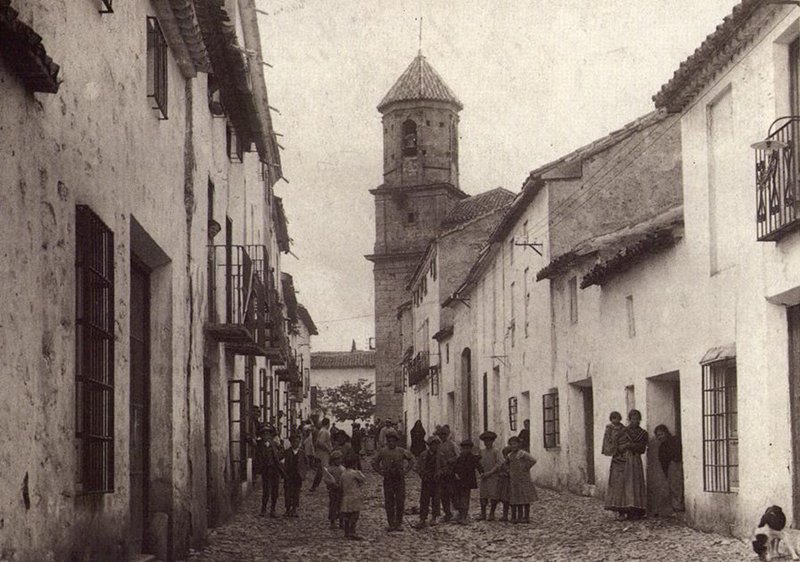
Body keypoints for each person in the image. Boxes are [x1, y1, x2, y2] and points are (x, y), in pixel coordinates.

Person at [604, 409, 648, 521]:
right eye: (633, 418)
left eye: (637, 418)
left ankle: (635, 511)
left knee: (634, 484)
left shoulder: (643, 433)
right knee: (621, 485)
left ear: (640, 419)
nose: (635, 421)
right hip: (621, 461)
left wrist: (629, 445)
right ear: (629, 419)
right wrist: (620, 448)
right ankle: (622, 510)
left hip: (635, 461)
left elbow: (642, 449)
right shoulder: (622, 431)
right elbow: (615, 445)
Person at [371, 428, 414, 532]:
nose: (391, 443)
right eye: (389, 441)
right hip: (388, 478)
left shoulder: (401, 451)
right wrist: (381, 472)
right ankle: (391, 523)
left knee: (400, 500)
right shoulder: (383, 451)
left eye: (393, 440)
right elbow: (374, 463)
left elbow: (411, 460)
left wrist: (406, 471)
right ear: (387, 441)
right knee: (389, 501)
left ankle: (398, 523)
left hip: (399, 478)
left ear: (396, 441)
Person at [413, 435, 446, 528]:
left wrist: (440, 472)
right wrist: (422, 474)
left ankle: (434, 517)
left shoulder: (441, 456)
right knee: (424, 499)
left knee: (436, 499)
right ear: (429, 445)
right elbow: (417, 467)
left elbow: (445, 467)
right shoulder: (423, 455)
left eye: (437, 445)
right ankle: (422, 518)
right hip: (426, 480)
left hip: (436, 480)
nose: (435, 447)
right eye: (433, 445)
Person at [255, 425, 284, 517]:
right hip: (266, 470)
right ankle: (263, 509)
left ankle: (273, 509)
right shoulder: (260, 445)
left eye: (268, 433)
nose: (266, 435)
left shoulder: (275, 444)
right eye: (264, 434)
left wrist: (279, 456)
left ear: (271, 435)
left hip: (274, 469)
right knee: (266, 490)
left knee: (275, 490)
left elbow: (281, 453)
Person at [507, 436, 537, 524]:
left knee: (525, 497)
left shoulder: (522, 453)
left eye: (515, 444)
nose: (513, 446)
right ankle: (517, 517)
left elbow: (533, 460)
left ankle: (526, 517)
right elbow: (507, 464)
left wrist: (526, 467)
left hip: (523, 478)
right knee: (516, 497)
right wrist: (509, 470)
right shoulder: (509, 455)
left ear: (519, 444)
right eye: (511, 444)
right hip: (514, 479)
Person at [655, 424, 684, 513]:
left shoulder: (675, 440)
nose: (660, 437)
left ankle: (680, 506)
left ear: (666, 433)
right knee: (673, 487)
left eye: (661, 434)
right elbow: (662, 460)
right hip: (669, 469)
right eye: (658, 435)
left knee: (678, 486)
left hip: (677, 466)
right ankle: (677, 507)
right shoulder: (662, 447)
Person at [452, 439, 482, 524]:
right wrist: (455, 474)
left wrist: (482, 473)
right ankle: (460, 514)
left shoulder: (473, 458)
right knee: (458, 498)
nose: (466, 450)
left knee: (465, 499)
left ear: (470, 449)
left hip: (468, 482)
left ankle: (464, 516)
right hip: (458, 481)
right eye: (464, 448)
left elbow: (478, 466)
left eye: (468, 448)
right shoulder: (459, 458)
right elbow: (454, 468)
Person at [340, 454, 367, 540]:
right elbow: (363, 479)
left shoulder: (343, 474)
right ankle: (352, 531)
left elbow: (341, 485)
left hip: (346, 496)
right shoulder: (355, 473)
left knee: (347, 514)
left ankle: (347, 531)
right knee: (355, 514)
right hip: (355, 495)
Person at [477, 431, 502, 521]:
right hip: (484, 477)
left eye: (489, 441)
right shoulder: (482, 452)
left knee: (493, 495)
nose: (487, 443)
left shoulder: (496, 451)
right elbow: (478, 463)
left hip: (493, 476)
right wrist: (481, 473)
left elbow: (499, 464)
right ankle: (483, 513)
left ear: (492, 441)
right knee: (483, 495)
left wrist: (490, 472)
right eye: (485, 441)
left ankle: (492, 513)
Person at [436, 425, 459, 522]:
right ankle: (447, 513)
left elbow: (458, 456)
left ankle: (457, 512)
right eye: (440, 435)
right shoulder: (437, 445)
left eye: (444, 434)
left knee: (453, 492)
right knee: (443, 493)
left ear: (447, 435)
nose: (442, 436)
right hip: (442, 473)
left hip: (451, 472)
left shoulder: (452, 444)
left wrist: (451, 460)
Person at [282, 434, 308, 517]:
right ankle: (287, 509)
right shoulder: (287, 452)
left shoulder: (302, 453)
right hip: (289, 475)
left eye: (297, 442)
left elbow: (306, 463)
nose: (295, 444)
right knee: (288, 492)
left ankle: (294, 509)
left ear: (299, 442)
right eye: (293, 442)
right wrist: (284, 473)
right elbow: (282, 463)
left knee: (296, 492)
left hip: (298, 476)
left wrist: (303, 473)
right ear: (290, 442)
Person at [323, 450, 345, 529]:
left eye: (339, 459)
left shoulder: (342, 468)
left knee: (341, 506)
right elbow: (326, 479)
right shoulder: (330, 469)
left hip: (341, 489)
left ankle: (341, 522)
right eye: (336, 459)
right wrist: (332, 484)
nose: (339, 461)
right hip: (333, 490)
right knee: (333, 506)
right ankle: (332, 521)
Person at [310, 417, 332, 492]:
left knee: (321, 471)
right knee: (324, 470)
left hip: (321, 454)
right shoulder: (324, 431)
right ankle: (329, 486)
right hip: (323, 454)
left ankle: (314, 486)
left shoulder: (322, 431)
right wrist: (328, 449)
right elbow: (320, 442)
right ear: (328, 423)